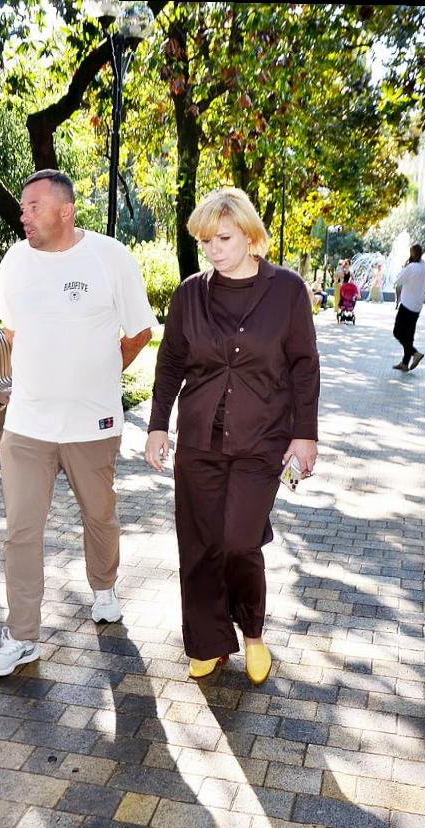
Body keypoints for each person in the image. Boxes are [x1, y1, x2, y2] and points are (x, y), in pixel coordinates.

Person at [0, 169, 157, 676]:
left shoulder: (109, 257)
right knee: (21, 531)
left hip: (91, 423)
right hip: (27, 424)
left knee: (99, 515)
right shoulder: (16, 260)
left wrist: (99, 372)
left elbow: (140, 331)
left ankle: (104, 587)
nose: (23, 215)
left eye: (33, 206)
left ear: (66, 210)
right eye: (22, 207)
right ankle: (22, 636)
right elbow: (11, 329)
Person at [145, 188, 320, 684]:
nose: (213, 250)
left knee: (239, 540)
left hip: (263, 438)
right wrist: (157, 424)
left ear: (249, 235)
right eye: (205, 241)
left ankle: (252, 632)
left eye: (223, 239)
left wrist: (305, 435)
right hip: (199, 438)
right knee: (199, 543)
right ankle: (207, 641)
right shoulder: (189, 294)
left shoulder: (287, 290)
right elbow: (170, 364)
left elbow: (304, 366)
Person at [392, 244, 425, 371]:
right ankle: (405, 363)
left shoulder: (411, 268)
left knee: (397, 332)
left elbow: (398, 280)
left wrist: (405, 267)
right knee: (409, 335)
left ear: (413, 253)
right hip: (417, 306)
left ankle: (415, 353)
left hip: (407, 304)